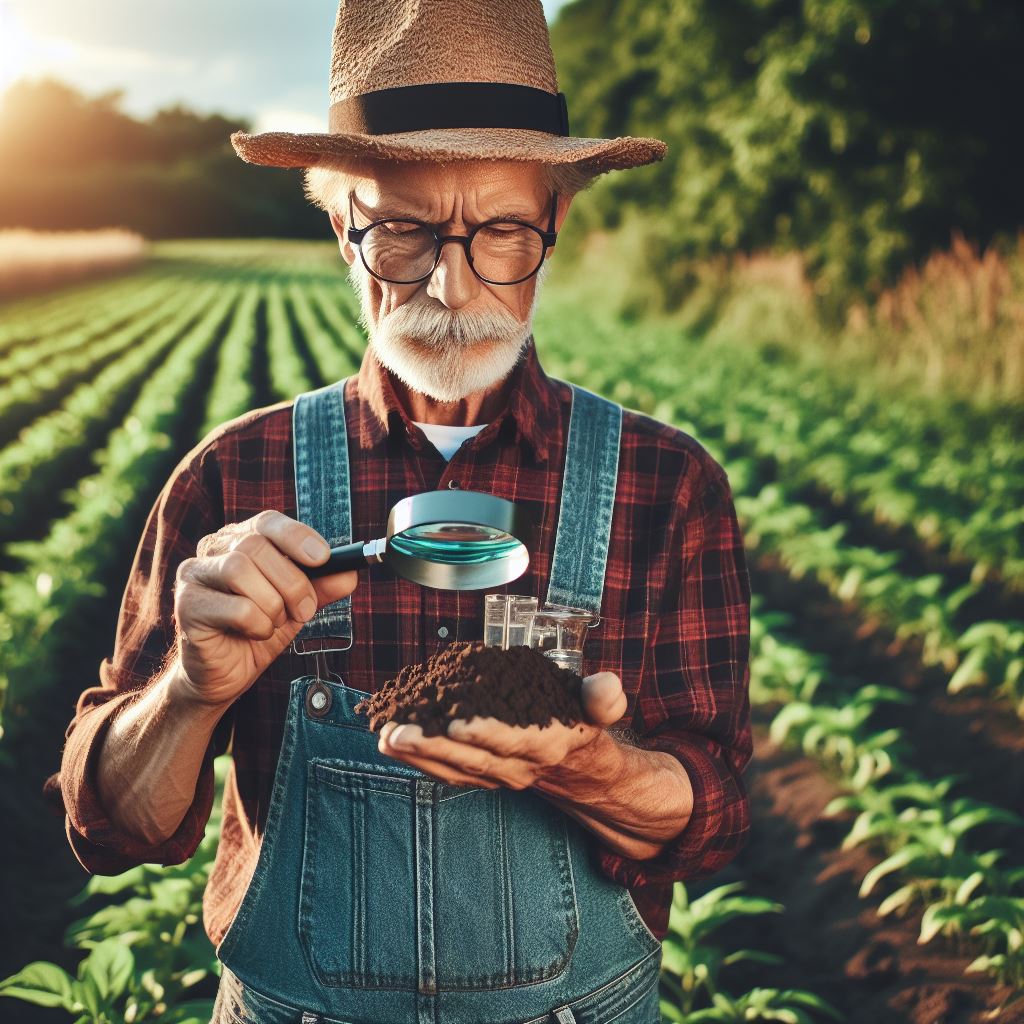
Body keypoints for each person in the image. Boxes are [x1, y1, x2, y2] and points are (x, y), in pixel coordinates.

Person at [53, 2, 753, 1021]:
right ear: (342, 229)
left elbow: (716, 812)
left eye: (500, 230)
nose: (450, 281)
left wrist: (594, 768)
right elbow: (113, 828)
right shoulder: (234, 476)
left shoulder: (664, 482)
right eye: (402, 231)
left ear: (550, 229)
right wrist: (189, 692)